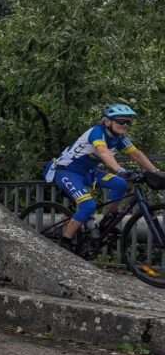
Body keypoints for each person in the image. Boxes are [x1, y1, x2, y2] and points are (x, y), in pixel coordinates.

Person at [43, 103, 160, 251]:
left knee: (120, 185)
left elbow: (135, 153)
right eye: (121, 121)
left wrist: (155, 171)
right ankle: (65, 242)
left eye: (128, 122)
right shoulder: (96, 132)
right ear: (107, 121)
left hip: (89, 172)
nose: (125, 125)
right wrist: (119, 170)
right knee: (88, 205)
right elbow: (104, 152)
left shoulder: (119, 138)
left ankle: (105, 223)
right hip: (67, 171)